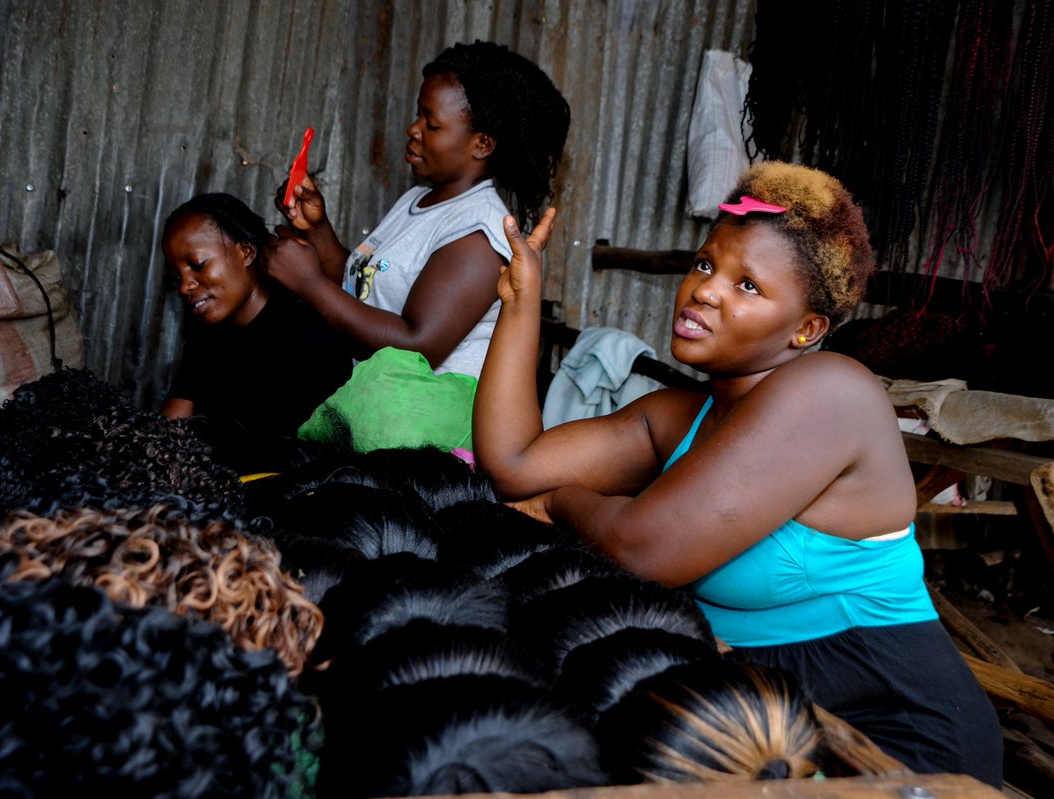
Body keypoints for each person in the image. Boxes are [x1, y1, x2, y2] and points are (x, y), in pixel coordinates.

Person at [472, 161, 1002, 786]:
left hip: (897, 743)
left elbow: (645, 548)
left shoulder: (832, 391)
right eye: (705, 264)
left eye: (747, 286)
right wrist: (521, 302)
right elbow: (512, 466)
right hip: (760, 720)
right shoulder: (681, 415)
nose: (705, 290)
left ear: (807, 330)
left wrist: (563, 501)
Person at [261, 41, 569, 450]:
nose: (413, 129)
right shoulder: (420, 199)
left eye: (432, 123)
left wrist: (309, 284)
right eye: (417, 114)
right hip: (387, 411)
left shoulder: (478, 232)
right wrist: (319, 232)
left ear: (482, 143)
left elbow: (416, 345)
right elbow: (366, 290)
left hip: (433, 429)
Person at [159, 193, 352, 448]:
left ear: (246, 252)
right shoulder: (206, 338)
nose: (184, 287)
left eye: (198, 265)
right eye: (177, 277)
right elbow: (167, 433)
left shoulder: (308, 336)